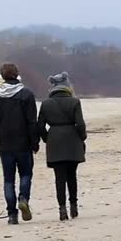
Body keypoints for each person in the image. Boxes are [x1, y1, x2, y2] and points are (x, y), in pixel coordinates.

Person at [0, 63, 39, 225]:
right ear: (17, 75)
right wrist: (35, 142)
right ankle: (23, 198)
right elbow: (32, 121)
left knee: (8, 180)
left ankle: (12, 214)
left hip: (5, 144)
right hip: (23, 142)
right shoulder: (26, 94)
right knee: (25, 174)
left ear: (2, 76)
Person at [37, 72, 87, 221]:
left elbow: (40, 126)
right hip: (72, 140)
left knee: (59, 177)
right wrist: (82, 137)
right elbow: (80, 124)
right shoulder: (75, 102)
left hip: (55, 140)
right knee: (72, 175)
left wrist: (47, 138)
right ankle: (74, 205)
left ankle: (62, 209)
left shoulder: (46, 104)